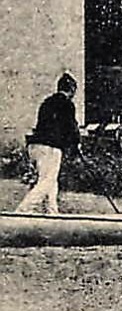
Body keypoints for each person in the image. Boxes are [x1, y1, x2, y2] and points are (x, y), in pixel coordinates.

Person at [17, 73, 80, 215]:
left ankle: (52, 211)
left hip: (35, 146)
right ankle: (23, 210)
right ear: (72, 89)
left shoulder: (47, 102)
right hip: (50, 147)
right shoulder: (67, 104)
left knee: (50, 180)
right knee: (46, 181)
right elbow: (71, 127)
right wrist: (76, 144)